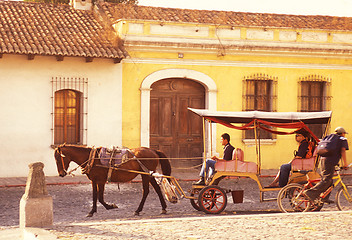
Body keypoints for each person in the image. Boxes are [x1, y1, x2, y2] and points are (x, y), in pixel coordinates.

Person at [304, 127, 349, 203]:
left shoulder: (329, 138)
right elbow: (343, 150)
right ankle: (310, 193)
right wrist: (345, 164)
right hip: (330, 161)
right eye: (344, 134)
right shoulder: (342, 139)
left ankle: (324, 197)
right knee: (326, 180)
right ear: (343, 133)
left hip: (323, 160)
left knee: (329, 180)